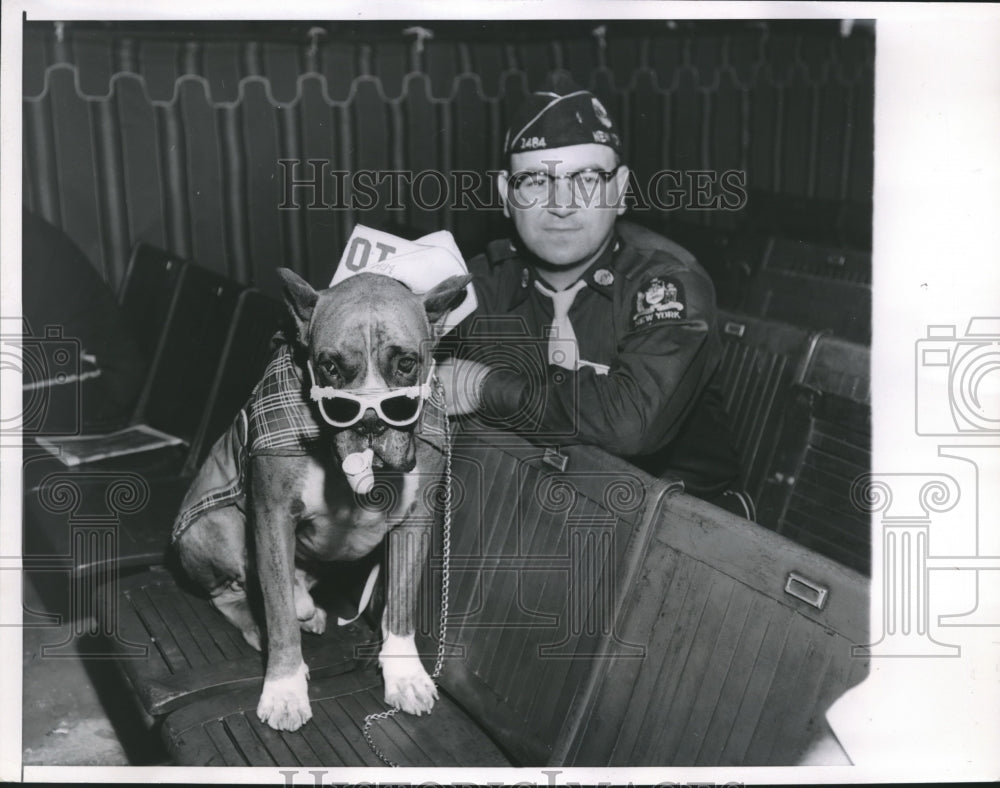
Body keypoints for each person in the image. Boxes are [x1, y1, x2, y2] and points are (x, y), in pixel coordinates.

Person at [439, 73, 748, 515]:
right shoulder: (483, 280)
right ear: (506, 196)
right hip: (538, 509)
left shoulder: (666, 283)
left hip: (684, 528)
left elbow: (629, 424)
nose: (561, 203)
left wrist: (482, 386)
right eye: (535, 181)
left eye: (586, 178)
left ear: (620, 191)